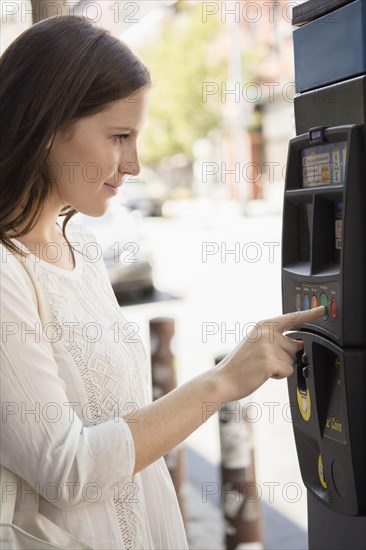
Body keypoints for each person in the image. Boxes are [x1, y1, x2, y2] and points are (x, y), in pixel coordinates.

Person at [0, 14, 325, 550]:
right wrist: (220, 383)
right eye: (119, 137)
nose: (134, 164)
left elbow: (125, 429)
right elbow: (67, 469)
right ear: (48, 127)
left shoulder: (78, 246)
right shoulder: (8, 270)